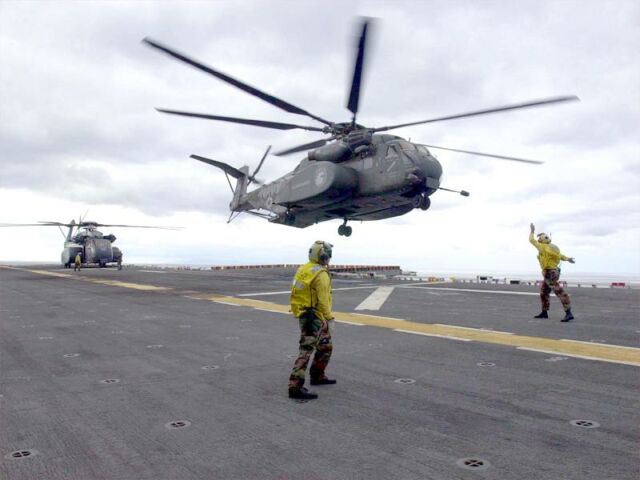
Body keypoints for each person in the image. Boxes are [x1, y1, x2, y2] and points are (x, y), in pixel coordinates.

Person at [288, 240, 336, 400]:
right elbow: (323, 300)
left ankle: (317, 375)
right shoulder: (320, 273)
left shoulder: (305, 268)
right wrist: (330, 319)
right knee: (306, 350)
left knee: (325, 346)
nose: (329, 257)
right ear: (323, 255)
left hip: (307, 314)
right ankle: (295, 387)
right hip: (313, 317)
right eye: (328, 255)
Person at [529, 223, 575, 322]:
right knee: (544, 292)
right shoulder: (553, 247)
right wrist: (568, 259)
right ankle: (544, 312)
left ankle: (569, 313)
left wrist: (532, 231)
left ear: (542, 241)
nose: (539, 241)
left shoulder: (542, 247)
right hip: (553, 272)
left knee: (559, 292)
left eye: (540, 240)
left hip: (549, 273)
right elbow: (560, 256)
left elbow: (531, 240)